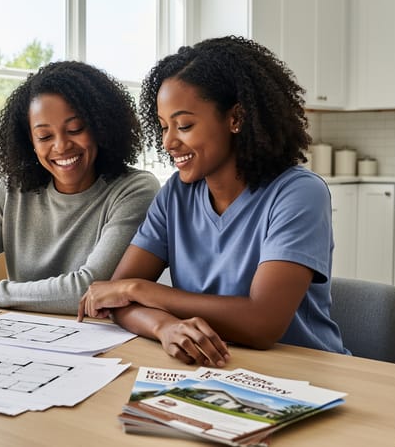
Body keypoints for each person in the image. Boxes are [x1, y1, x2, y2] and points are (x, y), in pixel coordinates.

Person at [77, 36, 347, 367]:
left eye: (184, 125)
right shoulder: (176, 193)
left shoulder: (298, 193)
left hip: (303, 372)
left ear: (235, 118)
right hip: (213, 368)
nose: (169, 142)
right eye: (163, 127)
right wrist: (165, 326)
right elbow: (114, 300)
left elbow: (262, 323)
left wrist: (140, 290)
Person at [0, 60, 160, 324]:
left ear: (100, 127)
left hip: (99, 340)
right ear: (29, 142)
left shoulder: (135, 190)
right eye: (44, 136)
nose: (62, 146)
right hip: (24, 337)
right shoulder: (12, 188)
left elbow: (90, 288)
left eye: (75, 129)